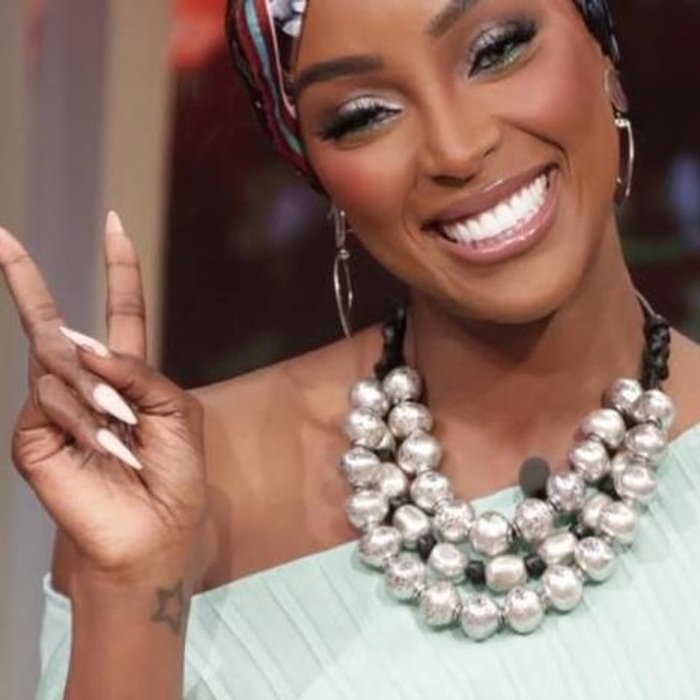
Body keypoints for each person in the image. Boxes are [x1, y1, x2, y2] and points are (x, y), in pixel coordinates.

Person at [2, 0, 700, 697]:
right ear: (318, 174)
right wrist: (131, 586)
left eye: (496, 50)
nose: (456, 149)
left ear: (602, 49)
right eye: (365, 115)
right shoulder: (185, 493)